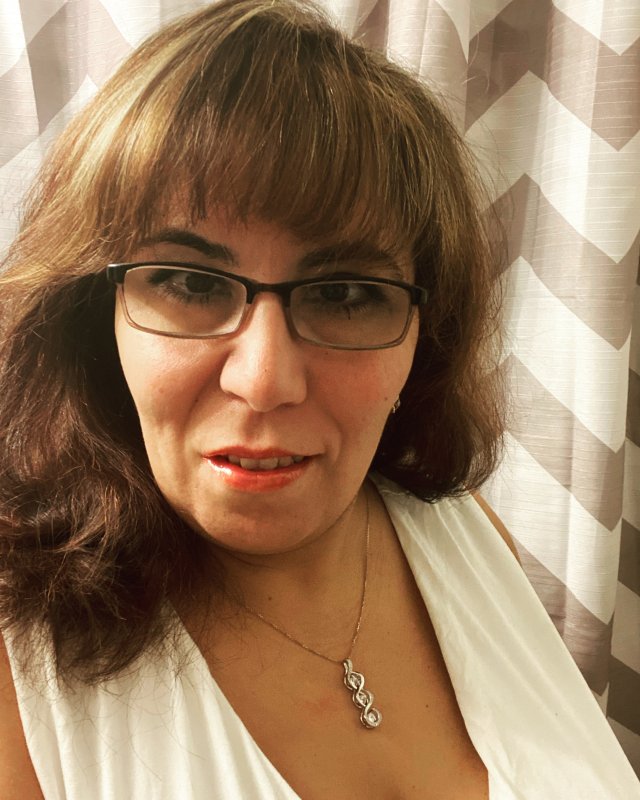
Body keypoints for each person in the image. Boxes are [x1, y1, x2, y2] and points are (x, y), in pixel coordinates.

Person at [0, 1, 638, 798]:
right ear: (95, 320)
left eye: (343, 294)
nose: (265, 380)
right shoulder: (18, 670)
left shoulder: (471, 537)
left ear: (425, 334)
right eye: (191, 284)